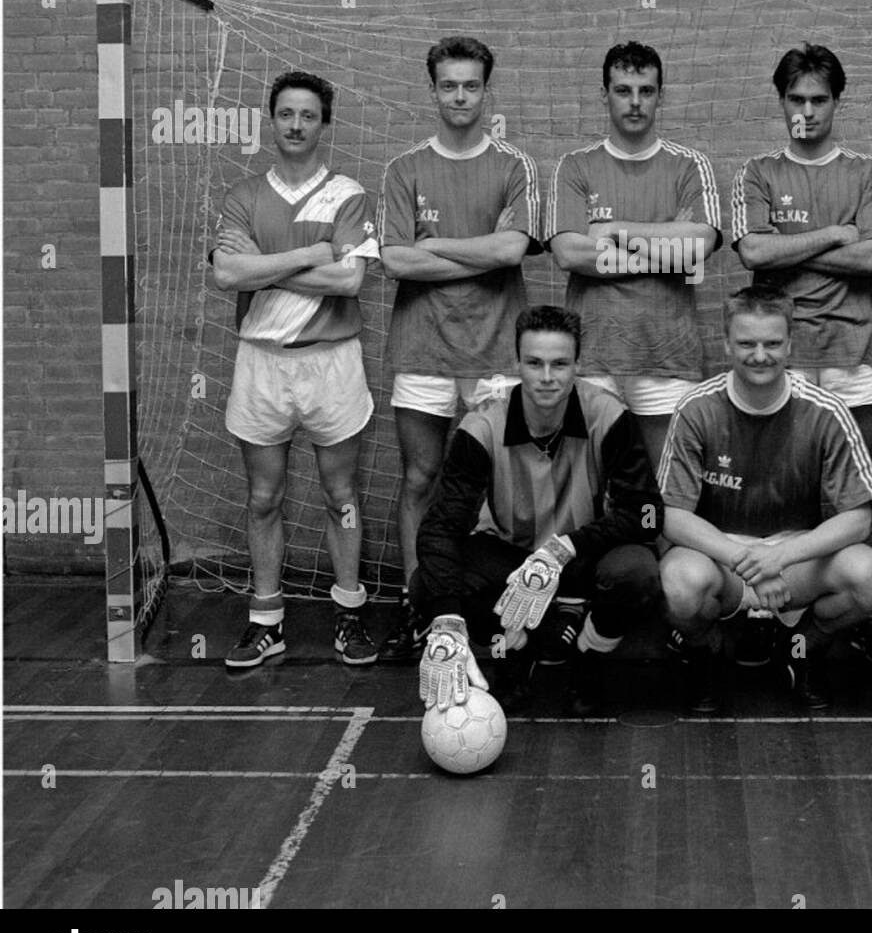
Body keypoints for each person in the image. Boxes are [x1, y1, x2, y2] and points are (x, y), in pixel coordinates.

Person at [731, 43, 872, 668]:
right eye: (796, 100)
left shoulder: (866, 172)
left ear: (837, 103)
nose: (807, 111)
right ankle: (767, 611)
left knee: (858, 494)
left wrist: (788, 246)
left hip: (855, 351)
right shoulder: (759, 172)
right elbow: (752, 253)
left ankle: (861, 612)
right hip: (787, 355)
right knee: (779, 492)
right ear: (780, 103)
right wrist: (833, 234)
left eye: (819, 100)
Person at [412, 305, 661, 717]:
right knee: (429, 584)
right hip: (512, 560)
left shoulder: (608, 415)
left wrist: (566, 547)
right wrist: (447, 621)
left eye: (560, 364)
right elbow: (440, 526)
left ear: (578, 364)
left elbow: (648, 513)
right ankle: (515, 649)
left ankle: (589, 655)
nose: (547, 377)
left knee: (636, 573)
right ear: (518, 364)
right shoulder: (482, 427)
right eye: (535, 363)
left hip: (580, 555)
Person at [377, 36, 541, 661]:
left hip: (497, 349)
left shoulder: (514, 166)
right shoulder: (404, 168)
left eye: (471, 85)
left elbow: (511, 251)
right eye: (449, 85)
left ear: (486, 90)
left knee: (499, 492)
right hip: (422, 347)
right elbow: (394, 260)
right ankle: (418, 605)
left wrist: (436, 246)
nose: (460, 96)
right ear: (433, 90)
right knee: (420, 478)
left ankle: (500, 612)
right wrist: (475, 248)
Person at [211, 71, 380, 669]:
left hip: (332, 362)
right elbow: (227, 274)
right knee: (263, 497)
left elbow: (351, 279)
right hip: (261, 362)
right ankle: (267, 621)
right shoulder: (243, 196)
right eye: (286, 113)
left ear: (324, 125)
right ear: (271, 120)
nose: (296, 125)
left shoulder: (349, 193)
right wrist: (311, 254)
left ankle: (349, 617)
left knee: (341, 496)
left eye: (308, 115)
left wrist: (264, 265)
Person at [657, 286, 872, 713]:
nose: (760, 355)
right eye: (746, 343)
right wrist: (746, 560)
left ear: (790, 344)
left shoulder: (827, 410)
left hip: (794, 560)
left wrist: (779, 558)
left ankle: (801, 647)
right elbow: (670, 515)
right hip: (721, 558)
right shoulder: (695, 408)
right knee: (678, 585)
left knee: (870, 575)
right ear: (726, 343)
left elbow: (858, 519)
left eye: (772, 343)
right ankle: (708, 653)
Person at [546, 41, 722, 473]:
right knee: (586, 487)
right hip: (593, 356)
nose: (636, 102)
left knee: (666, 489)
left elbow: (697, 248)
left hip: (667, 357)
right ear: (604, 94)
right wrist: (667, 254)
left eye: (646, 90)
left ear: (662, 95)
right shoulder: (576, 166)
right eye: (623, 90)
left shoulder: (689, 166)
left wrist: (615, 231)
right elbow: (570, 253)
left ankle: (655, 546)